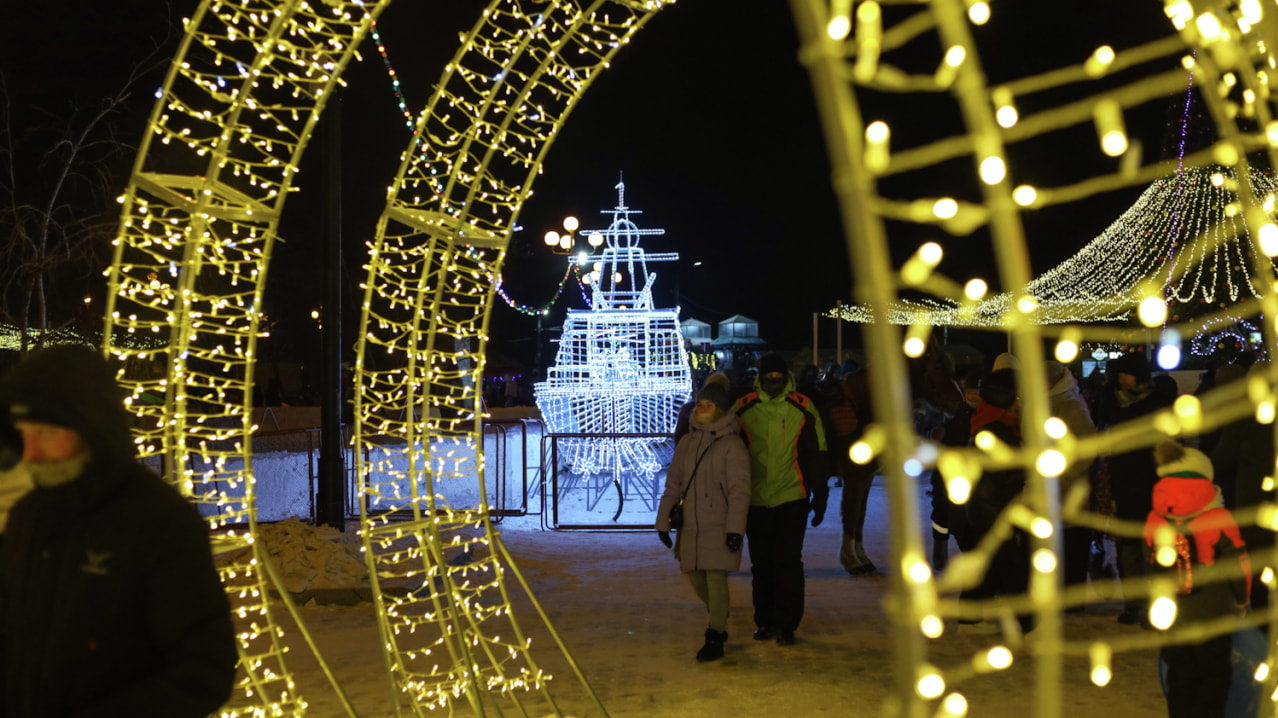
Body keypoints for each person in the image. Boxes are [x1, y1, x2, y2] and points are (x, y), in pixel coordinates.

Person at [0, 345, 238, 717]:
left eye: (45, 433)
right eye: (24, 434)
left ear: (88, 425)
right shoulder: (28, 516)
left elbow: (205, 669)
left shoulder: (158, 521)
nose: (31, 452)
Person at [1144, 441, 1250, 718]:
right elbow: (1239, 567)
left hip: (1171, 613)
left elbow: (1150, 565)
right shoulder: (1219, 519)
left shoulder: (1155, 520)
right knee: (1214, 678)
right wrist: (1242, 599)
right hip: (1213, 615)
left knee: (1180, 675)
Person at [734, 353, 829, 646]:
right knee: (762, 565)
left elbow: (817, 450)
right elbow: (727, 452)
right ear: (759, 377)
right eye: (768, 377)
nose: (773, 381)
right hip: (755, 500)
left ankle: (787, 625)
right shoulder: (743, 408)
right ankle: (765, 621)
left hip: (792, 497)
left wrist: (820, 491)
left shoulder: (802, 406)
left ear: (786, 377)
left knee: (787, 563)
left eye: (778, 376)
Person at [655, 382, 751, 662]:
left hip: (719, 523)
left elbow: (739, 492)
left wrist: (735, 529)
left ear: (720, 410)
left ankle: (715, 634)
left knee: (716, 577)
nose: (702, 408)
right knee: (696, 578)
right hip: (691, 526)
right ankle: (719, 616)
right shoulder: (687, 442)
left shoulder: (732, 445)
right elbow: (673, 484)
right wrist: (663, 521)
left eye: (708, 404)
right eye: (700, 404)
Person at [1101, 351, 1173, 626]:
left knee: (1153, 546)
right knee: (1129, 547)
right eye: (1119, 375)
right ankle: (1134, 603)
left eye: (1126, 373)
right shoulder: (1114, 403)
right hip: (1124, 480)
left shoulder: (1157, 403)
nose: (1122, 380)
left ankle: (1157, 604)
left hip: (1153, 483)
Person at [959, 368, 1032, 635]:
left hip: (988, 508)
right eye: (1016, 400)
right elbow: (1009, 472)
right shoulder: (997, 432)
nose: (1020, 405)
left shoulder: (992, 426)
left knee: (988, 563)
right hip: (995, 508)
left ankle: (970, 618)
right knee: (1012, 566)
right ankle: (1026, 624)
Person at [1045, 361, 1097, 597]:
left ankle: (1073, 596)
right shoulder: (1040, 405)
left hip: (1070, 488)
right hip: (1048, 488)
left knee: (1073, 542)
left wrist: (1067, 473)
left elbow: (1088, 447)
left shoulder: (1072, 406)